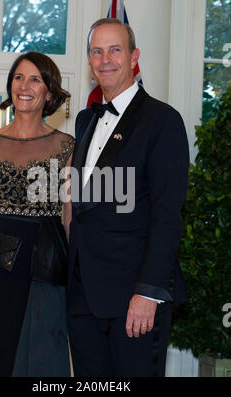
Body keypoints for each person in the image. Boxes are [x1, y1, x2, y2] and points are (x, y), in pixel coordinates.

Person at [66, 18, 189, 377]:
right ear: (89, 60)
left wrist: (148, 294)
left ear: (134, 57)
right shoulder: (85, 120)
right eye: (96, 51)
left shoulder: (163, 120)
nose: (105, 59)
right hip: (83, 296)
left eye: (115, 49)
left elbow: (167, 216)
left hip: (133, 299)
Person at [0, 51, 74, 377]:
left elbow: (69, 217)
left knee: (42, 361)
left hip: (45, 267)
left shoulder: (67, 147)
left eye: (35, 79)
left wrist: (77, 272)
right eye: (19, 77)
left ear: (49, 91)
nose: (25, 85)